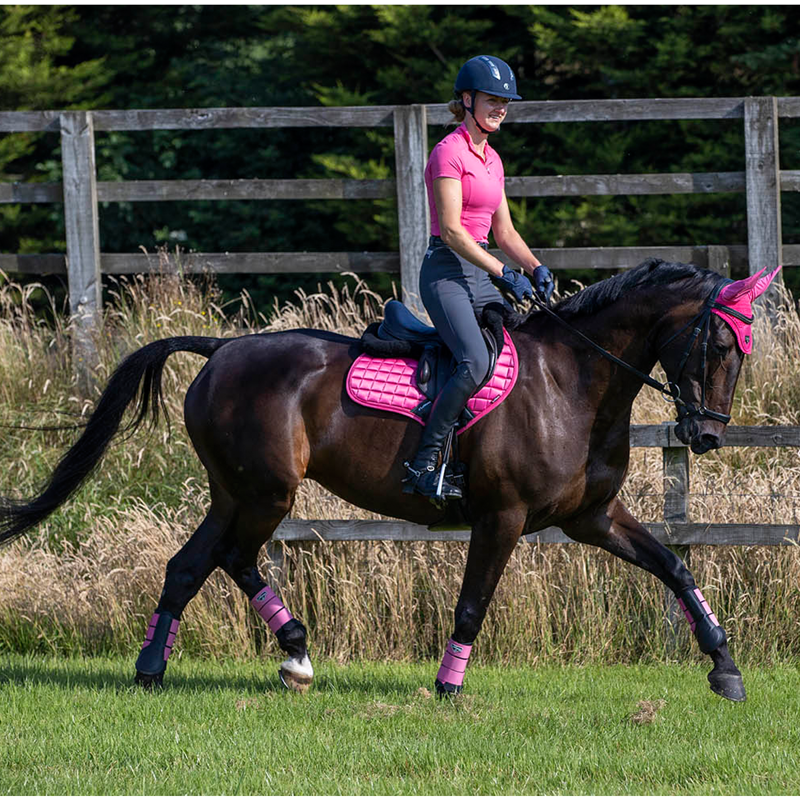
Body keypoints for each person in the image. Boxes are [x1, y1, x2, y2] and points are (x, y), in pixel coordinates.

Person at [402, 55, 554, 502]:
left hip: (482, 272)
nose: (501, 108)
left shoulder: (492, 159)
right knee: (474, 360)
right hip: (447, 271)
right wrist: (503, 272)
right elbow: (452, 231)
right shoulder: (448, 152)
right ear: (466, 100)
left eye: (506, 101)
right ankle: (424, 464)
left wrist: (535, 266)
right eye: (492, 99)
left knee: (517, 353)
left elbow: (503, 231)